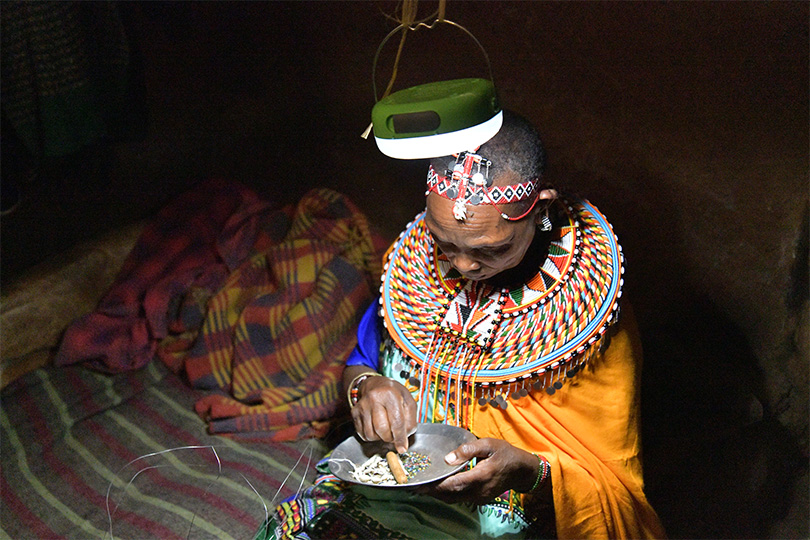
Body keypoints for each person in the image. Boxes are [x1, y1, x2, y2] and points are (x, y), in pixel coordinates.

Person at [259, 110, 666, 539]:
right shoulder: (413, 279)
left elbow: (610, 485)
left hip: (512, 517)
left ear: (539, 209)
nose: (464, 265)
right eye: (445, 243)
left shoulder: (587, 318)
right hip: (391, 491)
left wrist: (531, 473)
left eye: (491, 249)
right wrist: (367, 386)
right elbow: (362, 360)